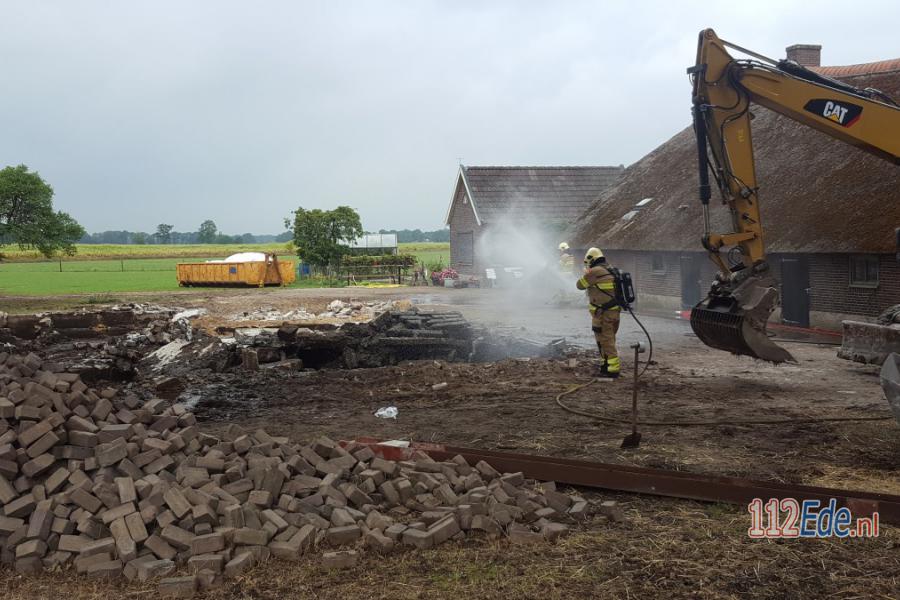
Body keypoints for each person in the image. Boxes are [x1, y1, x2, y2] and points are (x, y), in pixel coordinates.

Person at [576, 247, 620, 378]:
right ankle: (605, 365)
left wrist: (586, 273)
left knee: (606, 340)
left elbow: (579, 285)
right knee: (608, 339)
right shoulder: (611, 270)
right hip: (614, 312)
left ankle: (612, 369)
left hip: (603, 314)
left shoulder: (594, 272)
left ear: (591, 260)